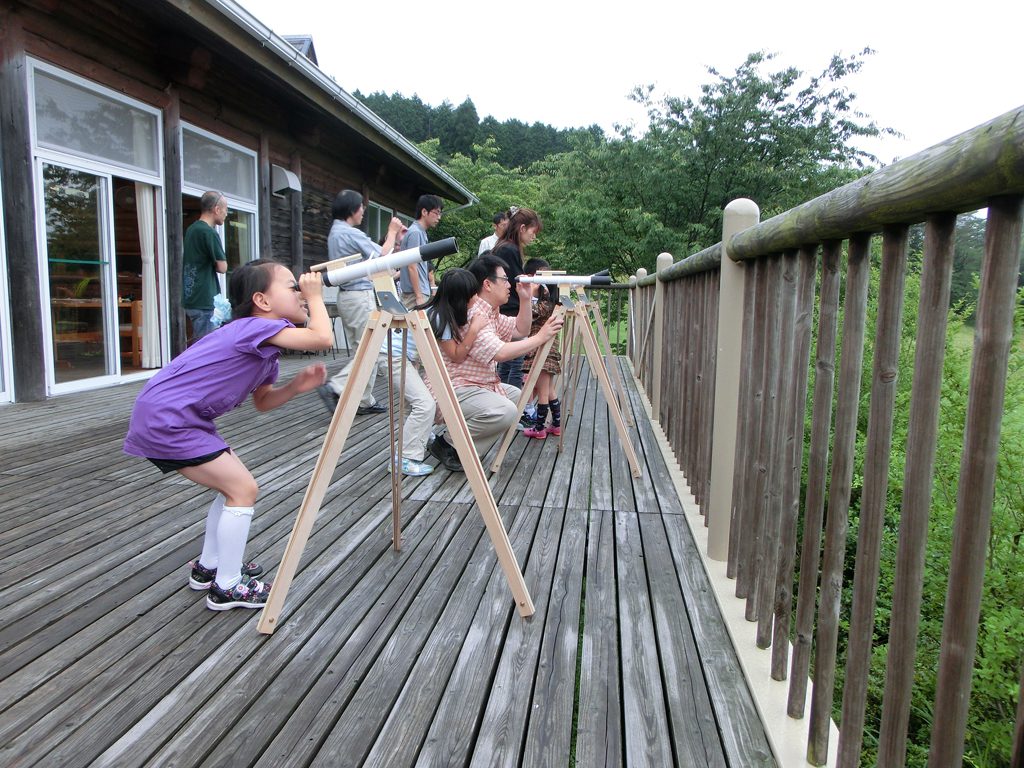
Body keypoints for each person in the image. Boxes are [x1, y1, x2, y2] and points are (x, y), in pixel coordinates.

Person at [123, 259, 333, 610]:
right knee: (243, 489)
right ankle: (228, 587)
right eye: (291, 286)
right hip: (169, 419)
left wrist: (296, 387)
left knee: (232, 487)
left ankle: (210, 567)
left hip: (178, 417)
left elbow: (263, 402)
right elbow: (323, 337)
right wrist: (315, 297)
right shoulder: (252, 328)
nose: (299, 291)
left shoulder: (266, 353)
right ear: (262, 302)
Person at [424, 255, 562, 472]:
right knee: (504, 410)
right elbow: (500, 352)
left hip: (474, 386)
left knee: (517, 397)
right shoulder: (475, 313)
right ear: (487, 284)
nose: (509, 285)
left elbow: (519, 331)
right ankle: (448, 444)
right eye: (505, 279)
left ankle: (462, 448)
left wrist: (525, 299)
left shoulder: (489, 310)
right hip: (450, 390)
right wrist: (539, 338)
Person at [317, 190, 405, 417]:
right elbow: (383, 258)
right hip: (359, 297)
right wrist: (392, 231)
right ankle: (336, 386)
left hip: (347, 297)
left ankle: (363, 400)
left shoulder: (335, 233)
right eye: (361, 207)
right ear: (352, 209)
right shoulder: (349, 233)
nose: (363, 212)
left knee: (364, 349)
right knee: (372, 348)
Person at [491, 206, 543, 390]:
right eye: (533, 232)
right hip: (511, 311)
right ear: (522, 228)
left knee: (506, 364)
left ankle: (504, 401)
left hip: (504, 310)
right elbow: (515, 282)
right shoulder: (509, 249)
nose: (534, 237)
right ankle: (514, 408)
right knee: (516, 365)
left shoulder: (503, 246)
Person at [520, 258, 563, 439]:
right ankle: (555, 425)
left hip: (544, 351)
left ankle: (539, 428)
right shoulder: (553, 301)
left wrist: (530, 294)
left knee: (543, 391)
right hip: (546, 350)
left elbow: (532, 313)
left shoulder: (546, 303)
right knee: (550, 389)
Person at [183, 191, 228, 343]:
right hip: (205, 299)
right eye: (225, 210)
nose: (226, 214)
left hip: (191, 297)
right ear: (216, 209)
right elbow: (222, 267)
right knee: (207, 347)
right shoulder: (209, 232)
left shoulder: (191, 230)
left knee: (198, 343)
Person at [398, 194, 442, 310]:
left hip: (420, 292)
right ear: (424, 212)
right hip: (415, 295)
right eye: (436, 213)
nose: (439, 217)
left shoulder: (420, 232)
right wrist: (418, 296)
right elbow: (412, 265)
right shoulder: (415, 233)